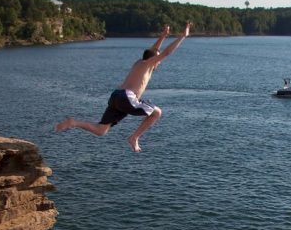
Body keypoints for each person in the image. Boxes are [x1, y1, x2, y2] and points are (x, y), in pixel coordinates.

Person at [55, 22, 191, 152]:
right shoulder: (147, 64)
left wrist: (163, 36)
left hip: (116, 96)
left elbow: (154, 51)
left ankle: (73, 122)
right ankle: (134, 137)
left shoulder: (140, 63)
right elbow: (165, 53)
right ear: (152, 59)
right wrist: (183, 36)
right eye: (157, 59)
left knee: (101, 130)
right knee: (157, 113)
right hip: (126, 97)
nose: (159, 62)